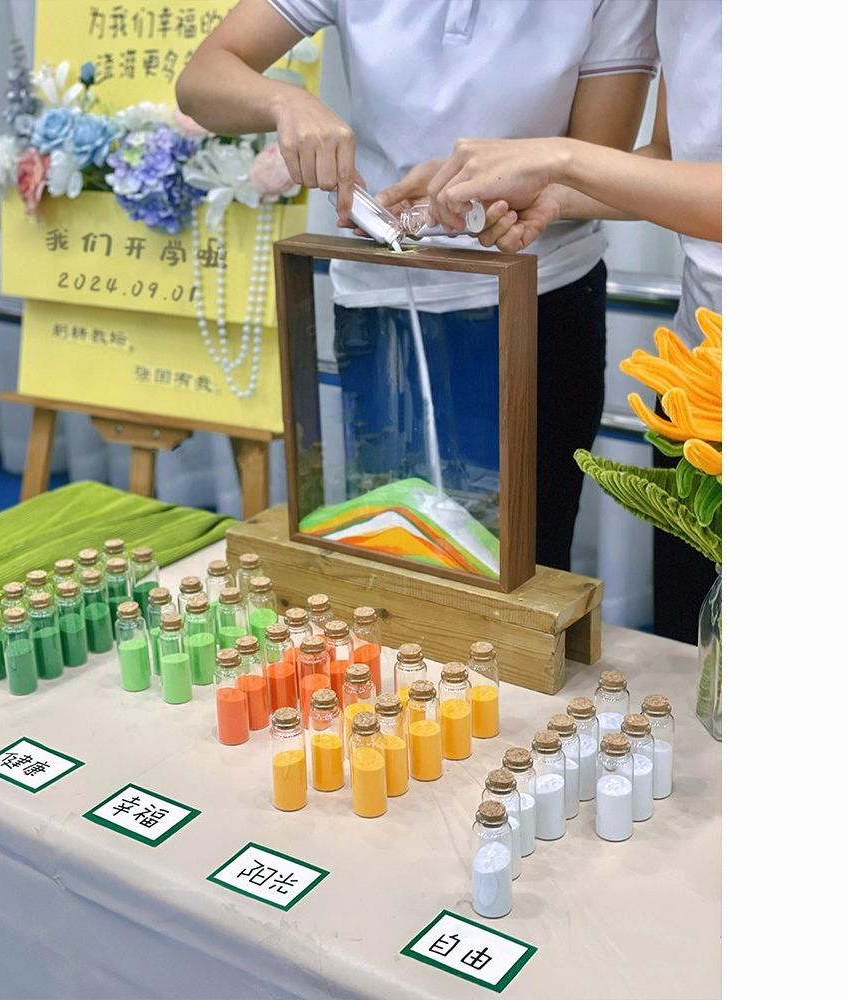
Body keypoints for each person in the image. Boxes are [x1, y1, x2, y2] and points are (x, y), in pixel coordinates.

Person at [176, 0, 659, 572]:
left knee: (525, 561)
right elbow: (201, 81)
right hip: (382, 303)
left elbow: (598, 168)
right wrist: (287, 101)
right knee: (386, 545)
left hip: (541, 301)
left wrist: (501, 193)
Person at [418, 0, 722, 635]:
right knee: (693, 638)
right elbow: (671, 160)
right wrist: (547, 193)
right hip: (699, 387)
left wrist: (562, 158)